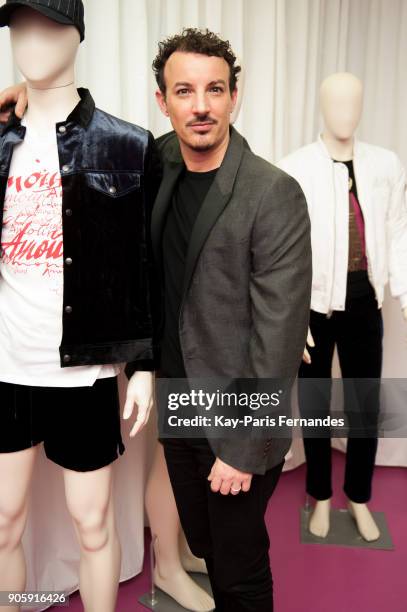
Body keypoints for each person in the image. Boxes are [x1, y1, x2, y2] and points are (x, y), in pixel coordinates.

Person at [0, 2, 157, 611]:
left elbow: (142, 264)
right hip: (7, 364)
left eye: (46, 26)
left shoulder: (125, 144)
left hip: (84, 367)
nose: (29, 41)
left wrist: (143, 363)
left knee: (93, 526)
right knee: (4, 520)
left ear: (76, 35)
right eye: (19, 28)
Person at [149, 29, 311, 611]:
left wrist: (242, 446)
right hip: (178, 403)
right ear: (162, 100)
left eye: (215, 90)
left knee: (241, 574)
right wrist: (29, 94)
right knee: (212, 550)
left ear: (234, 96)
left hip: (237, 418)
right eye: (184, 91)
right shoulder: (161, 161)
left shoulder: (273, 192)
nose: (201, 106)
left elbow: (278, 335)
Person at [278, 72, 407, 542]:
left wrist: (403, 293)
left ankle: (358, 495)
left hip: (364, 300)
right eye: (336, 101)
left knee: (364, 406)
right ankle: (321, 496)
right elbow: (284, 248)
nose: (345, 111)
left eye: (354, 101)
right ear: (321, 106)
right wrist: (292, 312)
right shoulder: (295, 167)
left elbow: (397, 231)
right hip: (313, 306)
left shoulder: (386, 164)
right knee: (313, 406)